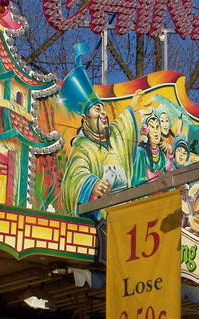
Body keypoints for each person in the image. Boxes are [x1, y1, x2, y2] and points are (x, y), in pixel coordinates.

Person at [60, 43, 150, 216]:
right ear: (85, 118)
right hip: (99, 212)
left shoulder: (113, 136)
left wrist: (132, 108)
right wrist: (92, 183)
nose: (103, 113)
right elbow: (75, 174)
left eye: (103, 109)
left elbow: (122, 126)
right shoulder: (83, 146)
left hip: (121, 212)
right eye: (97, 109)